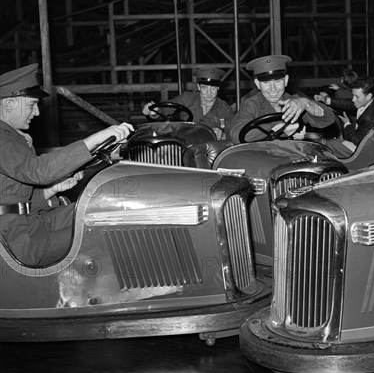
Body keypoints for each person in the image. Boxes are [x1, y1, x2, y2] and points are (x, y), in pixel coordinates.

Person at [0, 64, 134, 267]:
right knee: (103, 229)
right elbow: (37, 171)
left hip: (29, 223)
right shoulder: (3, 138)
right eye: (31, 105)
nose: (36, 113)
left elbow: (10, 195)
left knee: (101, 207)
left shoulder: (11, 136)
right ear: (9, 103)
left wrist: (49, 191)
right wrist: (96, 138)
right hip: (17, 240)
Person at [227, 55, 336, 143]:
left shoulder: (294, 102)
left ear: (286, 80)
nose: (273, 88)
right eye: (266, 83)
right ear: (258, 84)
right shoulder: (251, 104)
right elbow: (237, 135)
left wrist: (307, 104)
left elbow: (327, 119)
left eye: (278, 81)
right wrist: (280, 128)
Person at [142, 67, 234, 139]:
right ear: (198, 87)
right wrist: (155, 111)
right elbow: (165, 109)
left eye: (213, 88)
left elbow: (233, 134)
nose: (209, 93)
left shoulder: (225, 109)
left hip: (208, 150)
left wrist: (222, 136)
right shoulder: (186, 98)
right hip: (183, 143)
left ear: (218, 88)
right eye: (204, 87)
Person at [324, 76, 374, 158]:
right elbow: (351, 104)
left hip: (368, 151)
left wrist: (347, 124)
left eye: (357, 96)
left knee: (329, 143)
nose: (353, 99)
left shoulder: (369, 117)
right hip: (373, 142)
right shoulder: (373, 100)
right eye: (353, 95)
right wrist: (329, 101)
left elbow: (356, 140)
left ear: (368, 96)